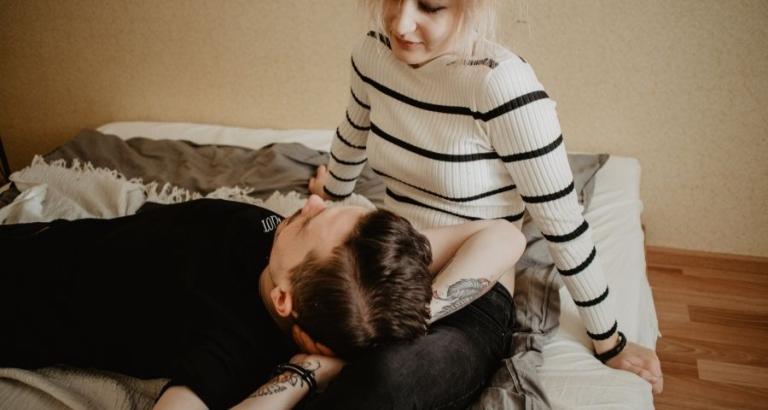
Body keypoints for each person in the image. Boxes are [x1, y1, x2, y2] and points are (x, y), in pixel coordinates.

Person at [308, 0, 663, 403]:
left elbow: (562, 221)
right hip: (385, 259)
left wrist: (610, 341)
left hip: (473, 286)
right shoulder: (372, 53)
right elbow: (352, 135)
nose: (401, 23)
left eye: (431, 6)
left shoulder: (502, 84)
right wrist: (329, 196)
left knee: (390, 378)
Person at [0, 195, 524, 409]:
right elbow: (503, 236)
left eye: (308, 222)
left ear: (282, 296)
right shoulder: (353, 272)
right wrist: (418, 315)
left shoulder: (229, 341)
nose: (313, 200)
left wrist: (307, 373)